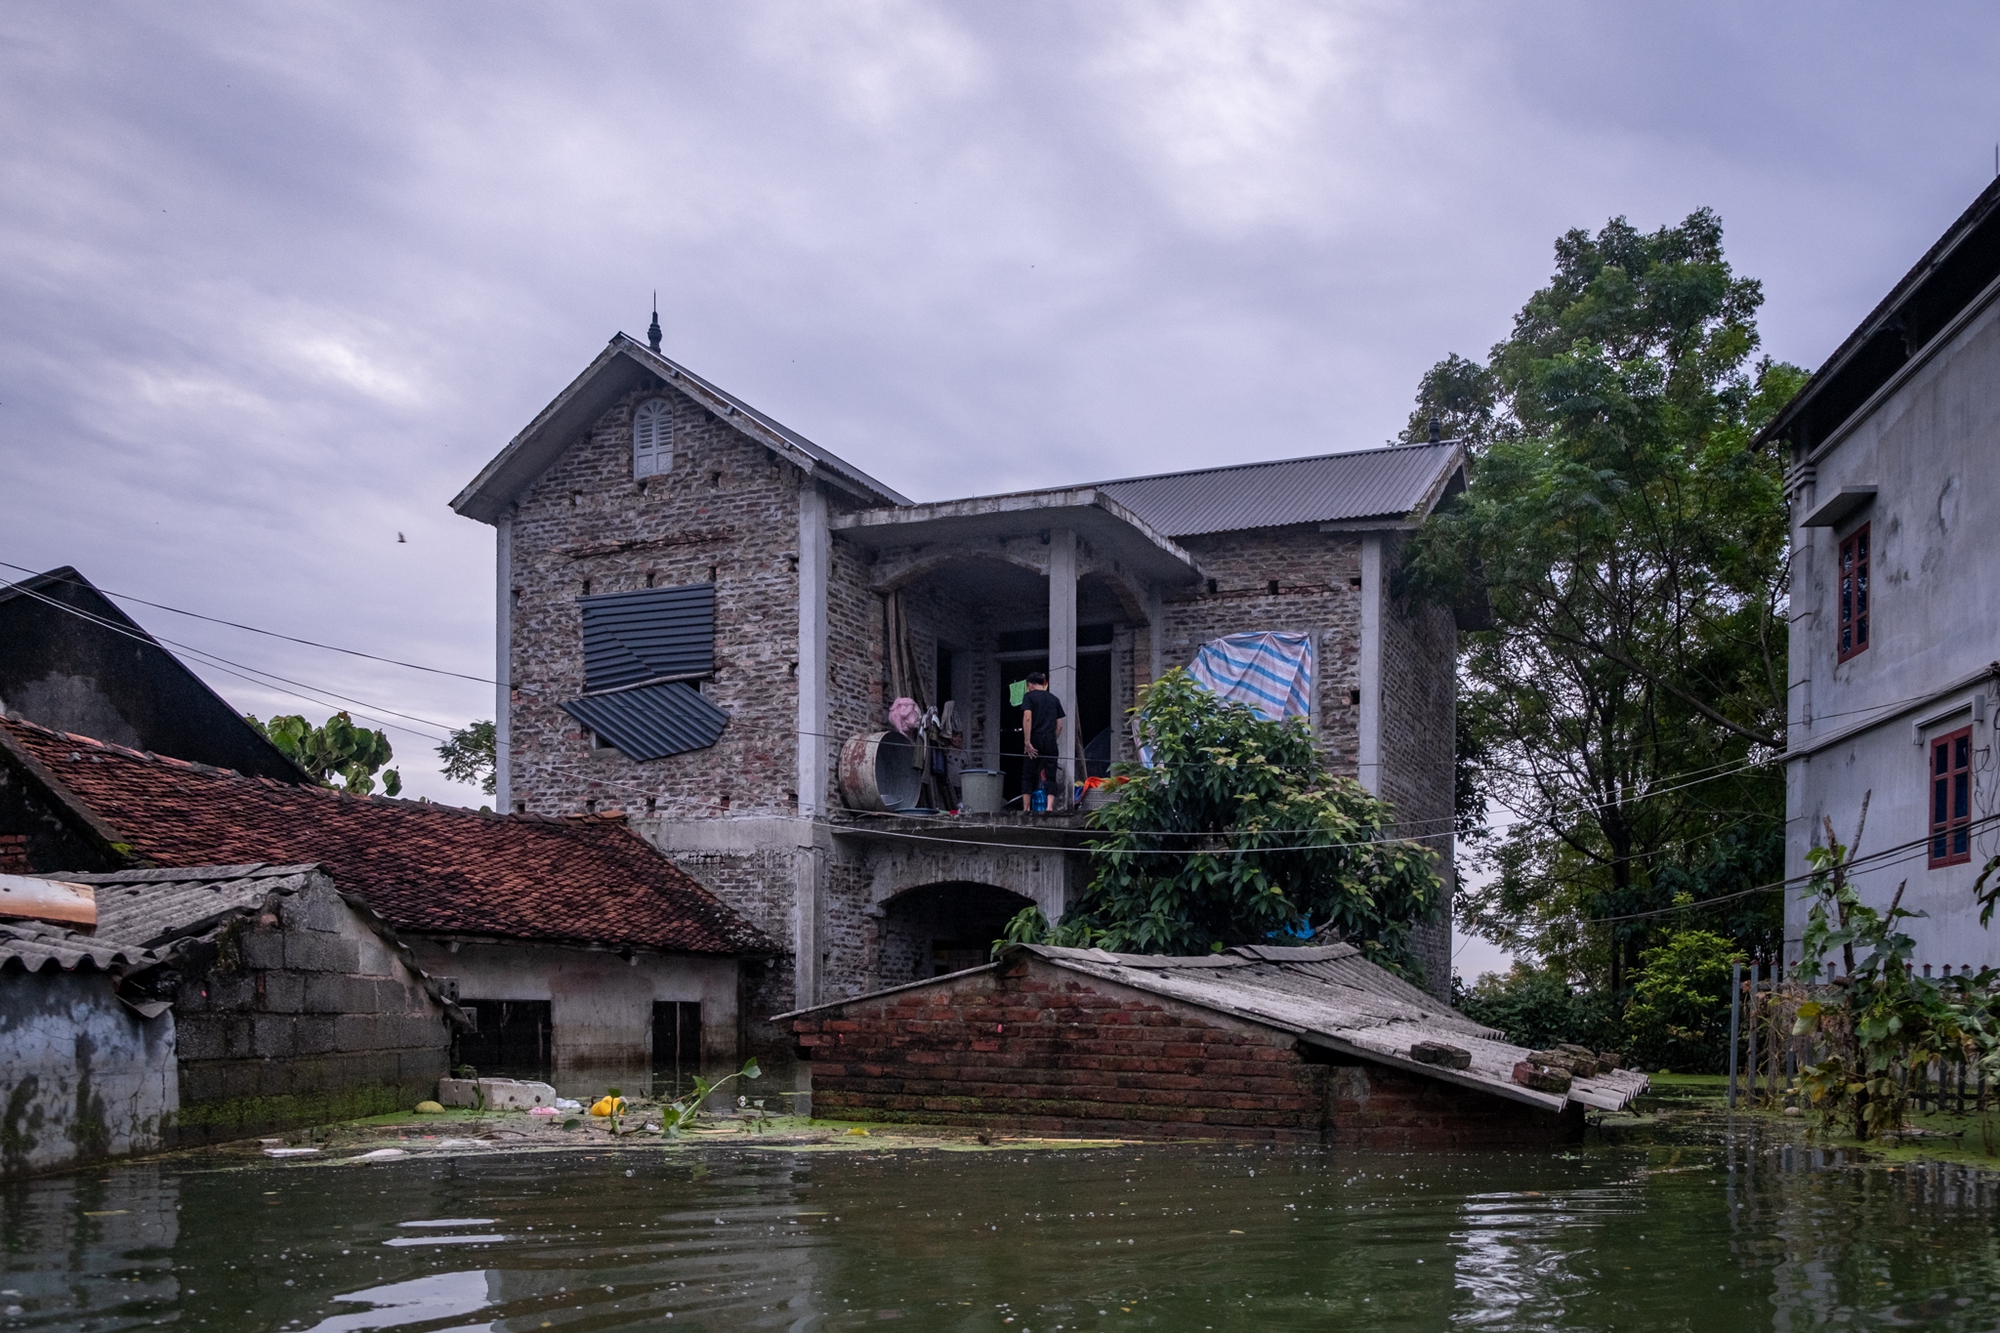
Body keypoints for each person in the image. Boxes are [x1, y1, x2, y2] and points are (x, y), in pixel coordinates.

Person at [1019, 671, 1065, 810]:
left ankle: (1026, 809)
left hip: (1035, 738)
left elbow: (1027, 717)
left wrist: (1027, 742)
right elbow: (1059, 725)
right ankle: (1049, 807)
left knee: (1028, 773)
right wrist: (1052, 740)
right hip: (1050, 739)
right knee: (1051, 774)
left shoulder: (1029, 697)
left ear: (1030, 685)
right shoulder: (1054, 699)